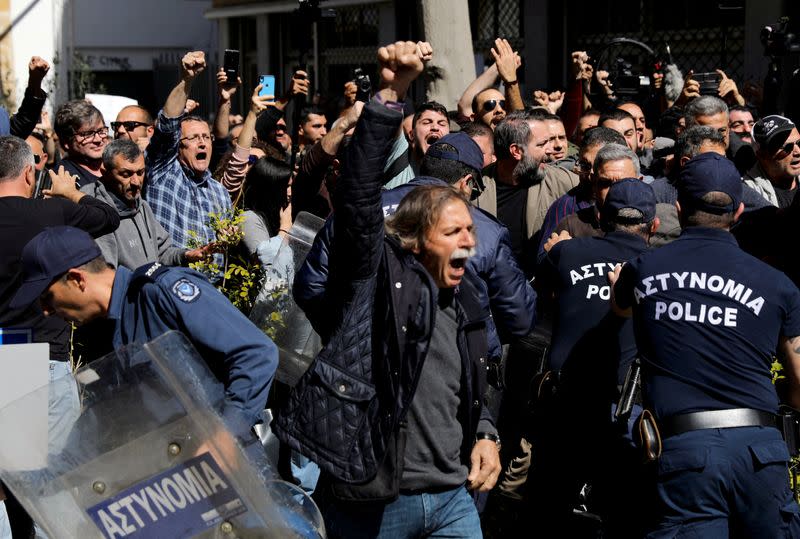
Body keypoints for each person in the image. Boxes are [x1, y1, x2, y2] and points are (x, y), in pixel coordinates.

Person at [275, 41, 500, 539]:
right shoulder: (375, 284)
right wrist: (390, 94)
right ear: (417, 240)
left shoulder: (466, 297)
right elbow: (357, 195)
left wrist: (486, 431)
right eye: (454, 232)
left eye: (470, 229)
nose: (470, 241)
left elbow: (482, 378)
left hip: (451, 498)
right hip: (374, 500)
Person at [609, 152, 800, 537]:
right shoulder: (778, 283)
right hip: (760, 452)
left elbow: (620, 307)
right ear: (741, 210)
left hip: (686, 455)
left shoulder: (645, 269)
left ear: (679, 208)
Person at [11, 225, 278, 437]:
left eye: (48, 297)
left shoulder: (161, 290)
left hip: (231, 471)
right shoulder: (106, 328)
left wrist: (224, 436)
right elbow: (105, 420)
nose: (46, 310)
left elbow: (256, 353)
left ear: (77, 279)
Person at [0, 135, 119, 536]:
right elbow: (109, 217)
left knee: (8, 486)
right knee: (53, 487)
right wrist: (73, 194)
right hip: (38, 358)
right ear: (30, 170)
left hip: (9, 358)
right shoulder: (51, 212)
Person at [532, 179, 659, 537]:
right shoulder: (662, 268)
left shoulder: (567, 253)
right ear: (654, 224)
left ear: (601, 216)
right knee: (625, 516)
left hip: (566, 401)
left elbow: (537, 295)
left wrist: (559, 251)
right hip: (624, 409)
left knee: (548, 515)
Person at [144, 51, 231, 263]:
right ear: (178, 146)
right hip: (170, 279)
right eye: (193, 138)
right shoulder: (163, 173)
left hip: (211, 285)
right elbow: (167, 127)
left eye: (206, 137)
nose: (202, 143)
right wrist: (187, 80)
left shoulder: (220, 192)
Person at [80, 139, 215, 270]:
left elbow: (162, 253)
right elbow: (105, 276)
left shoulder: (142, 207)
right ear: (105, 173)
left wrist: (185, 255)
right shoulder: (96, 215)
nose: (135, 182)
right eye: (126, 174)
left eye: (140, 173)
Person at [473, 108, 579, 276]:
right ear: (516, 151)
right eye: (541, 144)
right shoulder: (474, 189)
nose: (550, 150)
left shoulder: (566, 182)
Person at [536, 126, 627, 260]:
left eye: (598, 166)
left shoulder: (639, 201)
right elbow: (543, 261)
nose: (591, 174)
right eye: (585, 165)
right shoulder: (565, 208)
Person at [550, 143, 641, 242]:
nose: (613, 191)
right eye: (605, 183)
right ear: (594, 181)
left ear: (640, 182)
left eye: (623, 184)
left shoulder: (651, 225)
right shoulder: (570, 227)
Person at [743, 115, 800, 208]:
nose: (798, 152)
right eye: (787, 148)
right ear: (762, 155)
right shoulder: (749, 190)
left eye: (799, 143)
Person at [54, 100, 109, 187]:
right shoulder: (62, 179)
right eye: (88, 134)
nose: (98, 139)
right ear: (66, 142)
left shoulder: (117, 164)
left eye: (101, 131)